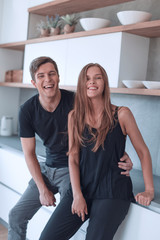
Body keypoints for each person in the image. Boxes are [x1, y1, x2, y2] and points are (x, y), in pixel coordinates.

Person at [8, 57, 133, 240]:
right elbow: (29, 153)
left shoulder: (77, 102)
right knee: (15, 216)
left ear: (58, 77)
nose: (48, 80)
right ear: (34, 83)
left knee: (71, 216)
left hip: (73, 169)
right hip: (47, 169)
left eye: (52, 74)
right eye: (41, 76)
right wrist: (42, 189)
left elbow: (105, 130)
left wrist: (121, 154)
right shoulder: (27, 110)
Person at [39, 63, 154, 240]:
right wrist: (77, 195)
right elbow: (74, 159)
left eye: (97, 77)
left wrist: (149, 190)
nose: (91, 82)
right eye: (87, 78)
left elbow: (143, 152)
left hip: (112, 190)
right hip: (82, 188)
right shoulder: (74, 116)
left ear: (104, 82)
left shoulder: (122, 114)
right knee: (47, 237)